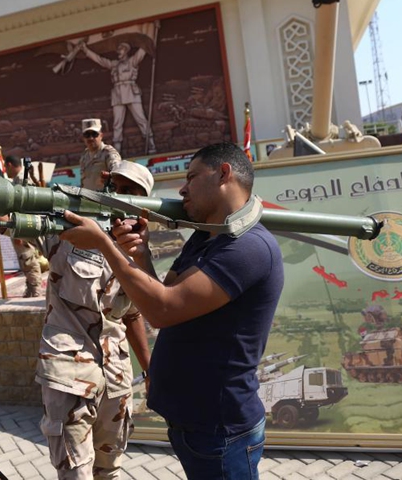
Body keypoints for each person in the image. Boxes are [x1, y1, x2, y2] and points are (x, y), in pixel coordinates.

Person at [0, 128, 152, 479]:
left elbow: (134, 315)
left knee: (109, 473)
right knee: (75, 476)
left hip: (116, 380)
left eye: (134, 194)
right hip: (69, 374)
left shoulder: (140, 253)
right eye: (120, 189)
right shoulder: (67, 231)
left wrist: (150, 369)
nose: (123, 200)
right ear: (108, 188)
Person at [58, 142, 284, 480]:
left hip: (219, 429)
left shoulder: (247, 248)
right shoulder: (207, 237)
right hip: (196, 425)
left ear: (224, 174)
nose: (182, 188)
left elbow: (162, 310)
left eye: (191, 177)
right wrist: (139, 254)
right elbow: (163, 292)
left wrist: (104, 245)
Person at [81, 42, 156, 154]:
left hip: (131, 92)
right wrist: (85, 50)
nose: (118, 52)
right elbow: (99, 59)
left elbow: (143, 48)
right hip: (117, 95)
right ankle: (117, 152)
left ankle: (151, 144)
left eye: (120, 49)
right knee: (117, 124)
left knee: (141, 120)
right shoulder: (114, 64)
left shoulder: (132, 61)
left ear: (126, 51)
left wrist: (148, 36)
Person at [4, 155, 44, 297]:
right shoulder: (19, 179)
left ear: (9, 165)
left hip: (25, 224)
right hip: (24, 223)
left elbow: (25, 205)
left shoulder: (22, 179)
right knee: (26, 258)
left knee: (27, 258)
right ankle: (31, 287)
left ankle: (35, 289)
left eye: (5, 167)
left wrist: (19, 231)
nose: (5, 170)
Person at [79, 118, 121, 192]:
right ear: (83, 138)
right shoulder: (84, 156)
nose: (91, 138)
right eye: (87, 135)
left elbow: (117, 172)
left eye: (94, 134)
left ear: (101, 135)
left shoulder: (108, 152)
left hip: (104, 199)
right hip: (88, 199)